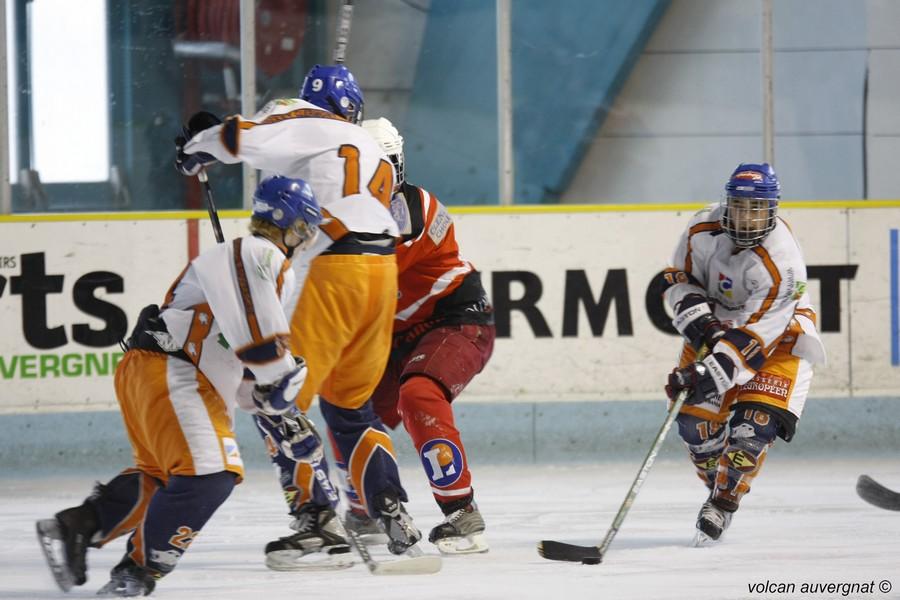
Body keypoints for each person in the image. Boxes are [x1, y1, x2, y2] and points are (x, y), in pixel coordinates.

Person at [177, 64, 422, 568]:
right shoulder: (365, 142)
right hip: (381, 272)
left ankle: (318, 524)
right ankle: (391, 509)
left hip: (332, 266)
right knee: (352, 406)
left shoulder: (301, 115)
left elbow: (237, 136)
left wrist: (193, 148)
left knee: (275, 396)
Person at [35, 176, 323, 596]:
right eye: (304, 228)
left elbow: (246, 381)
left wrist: (276, 407)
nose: (305, 239)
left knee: (163, 479)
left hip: (156, 371)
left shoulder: (247, 262)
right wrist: (284, 393)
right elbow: (264, 353)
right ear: (292, 225)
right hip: (175, 373)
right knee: (211, 476)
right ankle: (136, 573)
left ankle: (79, 525)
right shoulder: (260, 255)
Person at [333, 117, 494, 554]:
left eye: (377, 166)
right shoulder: (343, 214)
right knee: (346, 405)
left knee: (419, 394)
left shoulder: (414, 209)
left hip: (455, 321)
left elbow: (363, 270)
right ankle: (365, 507)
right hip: (392, 338)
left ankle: (461, 511)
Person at [662, 163, 825, 544]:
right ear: (727, 204)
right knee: (695, 428)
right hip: (717, 332)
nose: (746, 216)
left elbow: (758, 336)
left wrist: (708, 373)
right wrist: (703, 324)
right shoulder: (702, 228)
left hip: (778, 343)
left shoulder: (784, 261)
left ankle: (722, 501)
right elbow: (678, 281)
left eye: (756, 208)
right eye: (739, 206)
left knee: (751, 430)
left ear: (771, 210)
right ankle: (718, 479)